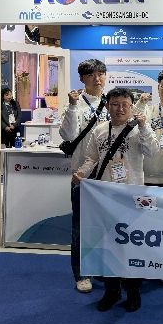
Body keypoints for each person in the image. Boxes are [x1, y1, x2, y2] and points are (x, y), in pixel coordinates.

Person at [73, 87, 158, 313]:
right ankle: (112, 291)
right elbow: (91, 158)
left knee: (132, 246)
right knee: (107, 245)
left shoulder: (139, 129)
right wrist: (81, 173)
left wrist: (144, 126)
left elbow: (152, 151)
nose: (120, 109)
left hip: (132, 197)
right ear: (108, 106)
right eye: (115, 104)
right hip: (105, 197)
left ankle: (133, 291)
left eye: (124, 105)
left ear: (131, 106)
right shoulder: (100, 130)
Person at [59, 59, 108, 294]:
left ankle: (102, 268)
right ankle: (81, 273)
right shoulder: (76, 103)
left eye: (101, 74)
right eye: (91, 75)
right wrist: (71, 106)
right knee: (81, 227)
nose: (97, 79)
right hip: (83, 175)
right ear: (82, 78)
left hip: (109, 176)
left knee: (106, 225)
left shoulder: (113, 101)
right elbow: (68, 134)